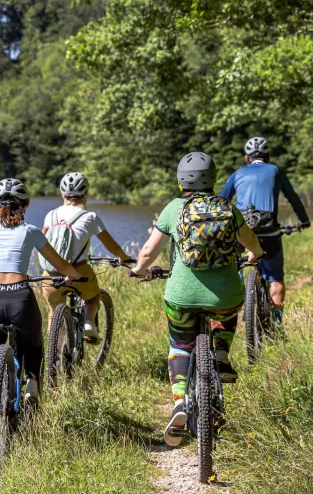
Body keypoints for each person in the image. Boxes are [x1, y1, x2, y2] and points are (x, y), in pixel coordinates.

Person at [131, 152, 263, 447]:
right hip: (225, 295)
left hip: (181, 296)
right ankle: (221, 356)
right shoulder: (228, 208)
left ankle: (179, 402)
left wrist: (138, 271)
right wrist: (254, 255)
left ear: (181, 181)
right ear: (213, 178)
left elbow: (148, 252)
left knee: (180, 345)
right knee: (227, 313)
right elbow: (251, 242)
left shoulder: (173, 209)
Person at [0, 178, 83, 411]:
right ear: (24, 206)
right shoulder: (31, 232)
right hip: (20, 299)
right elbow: (60, 264)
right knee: (33, 340)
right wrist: (74, 275)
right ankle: (32, 385)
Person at [220, 137, 311, 327]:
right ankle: (277, 324)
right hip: (269, 234)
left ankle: (231, 304)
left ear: (247, 158)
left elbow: (222, 201)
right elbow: (293, 197)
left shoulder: (238, 173)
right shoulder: (275, 171)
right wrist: (304, 220)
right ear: (268, 156)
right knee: (276, 279)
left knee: (233, 267)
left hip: (241, 234)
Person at [40, 172, 132, 340]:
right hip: (79, 272)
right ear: (86, 194)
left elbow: (41, 243)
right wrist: (124, 257)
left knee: (54, 312)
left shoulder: (50, 215)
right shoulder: (90, 217)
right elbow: (111, 245)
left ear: (62, 194)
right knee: (93, 297)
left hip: (51, 275)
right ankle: (89, 323)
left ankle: (56, 352)